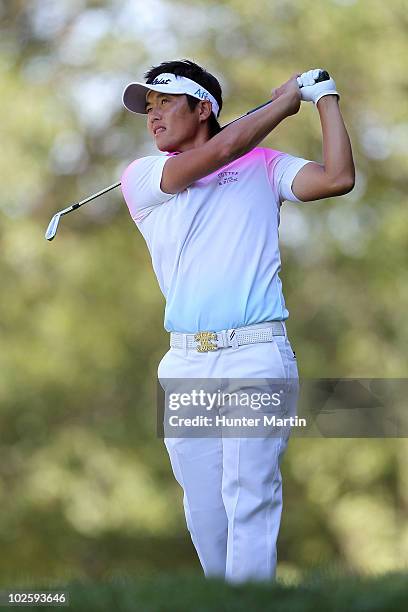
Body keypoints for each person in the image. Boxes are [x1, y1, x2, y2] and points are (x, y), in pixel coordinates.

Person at [120, 59, 355, 583]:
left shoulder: (266, 165)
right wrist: (280, 104)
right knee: (205, 510)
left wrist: (324, 100)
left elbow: (338, 178)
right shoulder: (142, 177)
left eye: (165, 102)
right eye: (148, 108)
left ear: (203, 107)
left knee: (249, 495)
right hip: (184, 362)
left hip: (256, 351)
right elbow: (223, 149)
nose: (153, 116)